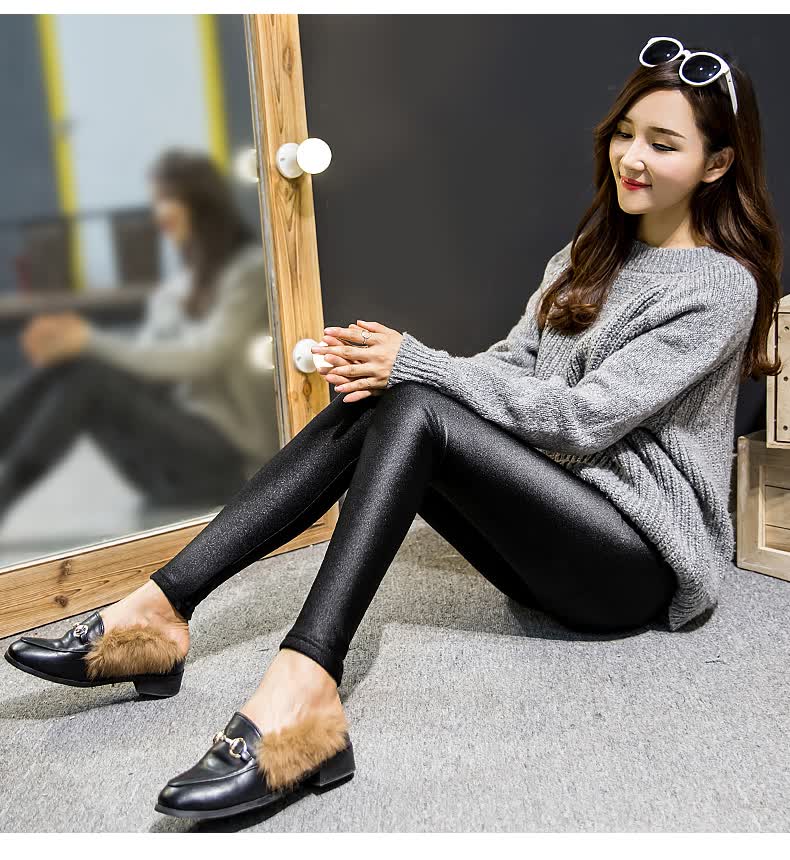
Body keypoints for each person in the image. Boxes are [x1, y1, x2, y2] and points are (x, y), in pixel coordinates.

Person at [4, 37, 781, 821]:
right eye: (625, 133)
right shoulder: (587, 253)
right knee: (393, 397)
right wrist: (394, 367)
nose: (632, 158)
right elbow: (508, 366)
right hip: (554, 527)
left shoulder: (721, 287)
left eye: (663, 143)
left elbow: (585, 419)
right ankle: (159, 612)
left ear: (717, 164)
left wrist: (419, 366)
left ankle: (303, 689)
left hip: (633, 561)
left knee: (413, 395)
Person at [0, 149, 277, 525]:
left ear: (198, 201)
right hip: (175, 456)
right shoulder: (178, 286)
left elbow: (205, 354)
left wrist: (89, 339)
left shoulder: (248, 271)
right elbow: (147, 360)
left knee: (89, 371)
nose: (157, 215)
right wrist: (74, 343)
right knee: (77, 364)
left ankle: (5, 494)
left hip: (228, 462)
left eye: (165, 200)